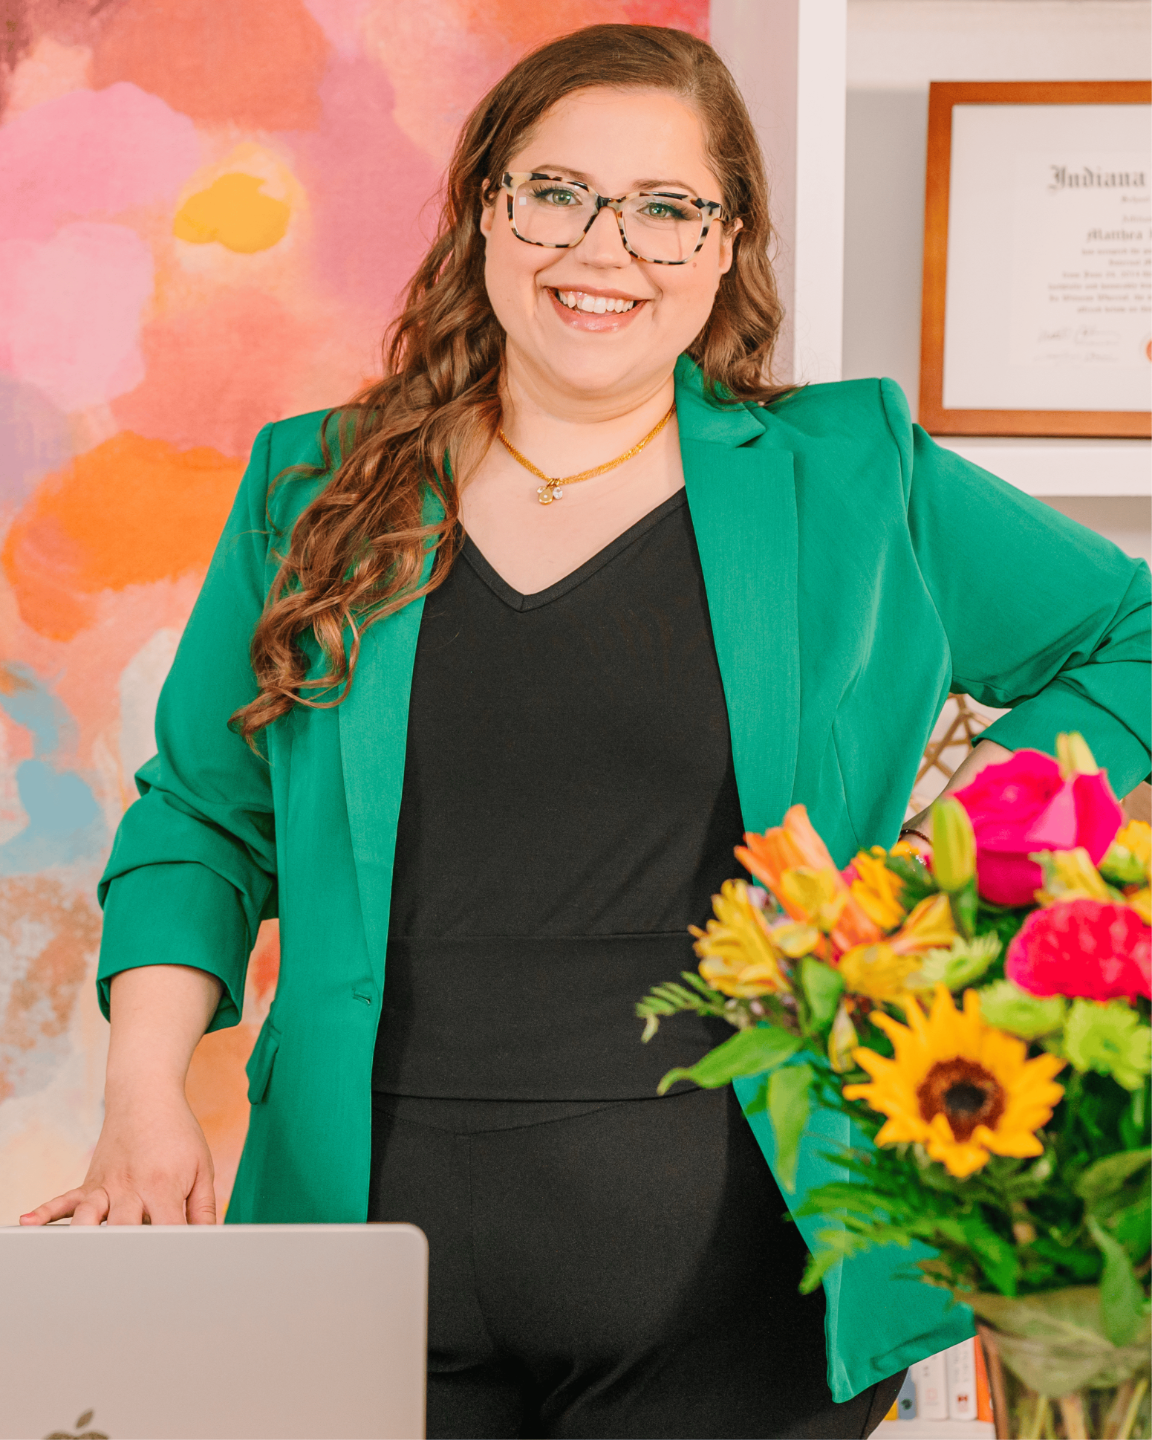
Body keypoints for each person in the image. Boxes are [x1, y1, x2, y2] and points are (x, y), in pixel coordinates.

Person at [21, 22, 1152, 1440]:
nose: (602, 248)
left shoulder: (853, 476)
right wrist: (141, 1094)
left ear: (728, 244)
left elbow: (1132, 639)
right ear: (485, 208)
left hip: (747, 1289)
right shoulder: (310, 485)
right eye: (556, 193)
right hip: (362, 1259)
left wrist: (947, 861)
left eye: (667, 208)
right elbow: (202, 813)